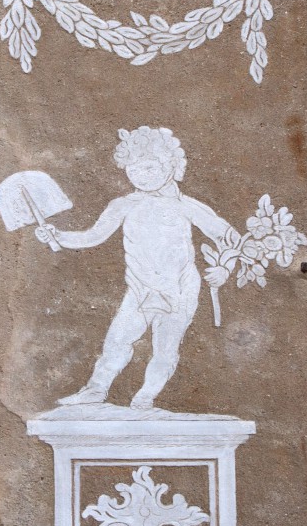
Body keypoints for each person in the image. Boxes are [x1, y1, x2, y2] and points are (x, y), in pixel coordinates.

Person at [36, 126, 239, 409]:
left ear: (170, 165)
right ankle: (96, 389)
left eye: (149, 167)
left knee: (165, 350)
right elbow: (93, 236)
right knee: (117, 340)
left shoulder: (187, 206)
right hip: (140, 289)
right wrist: (57, 236)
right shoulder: (122, 205)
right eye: (133, 169)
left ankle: (145, 397)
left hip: (179, 291)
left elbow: (231, 239)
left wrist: (224, 269)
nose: (141, 175)